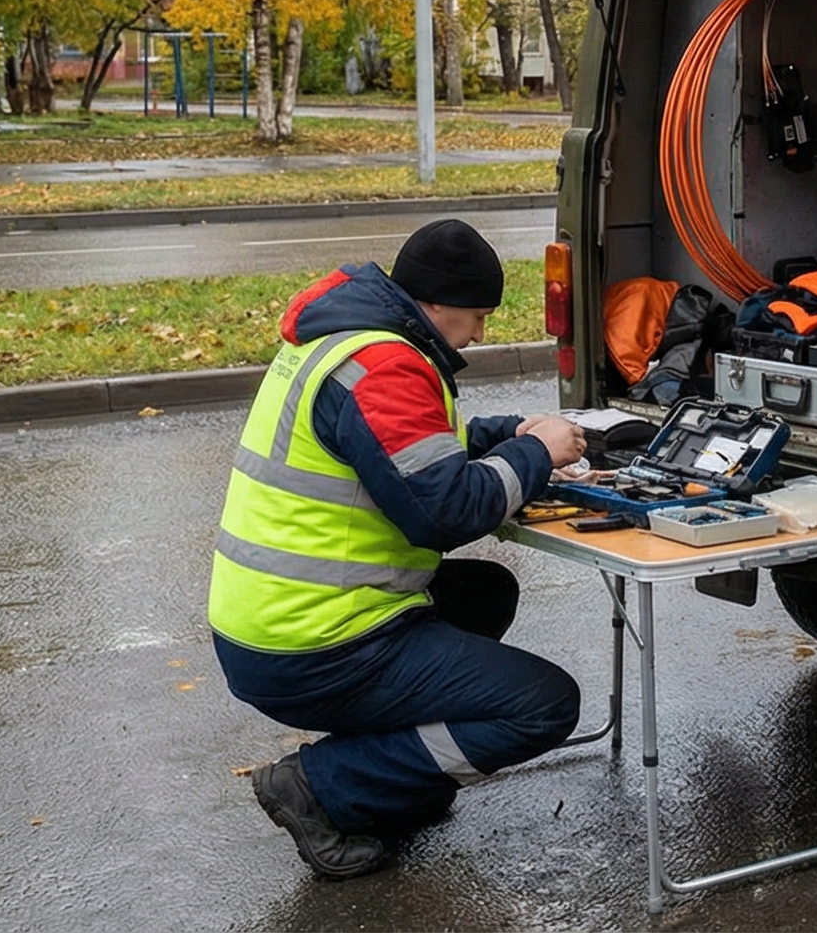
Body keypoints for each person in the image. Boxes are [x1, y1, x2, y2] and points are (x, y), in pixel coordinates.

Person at [208, 218, 589, 879]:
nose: (479, 334)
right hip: (316, 644)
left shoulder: (347, 342)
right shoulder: (381, 365)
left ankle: (395, 780)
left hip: (277, 621)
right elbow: (444, 511)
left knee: (484, 593)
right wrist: (537, 453)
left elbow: (408, 450)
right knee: (544, 705)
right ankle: (322, 787)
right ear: (437, 305)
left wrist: (509, 432)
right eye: (476, 318)